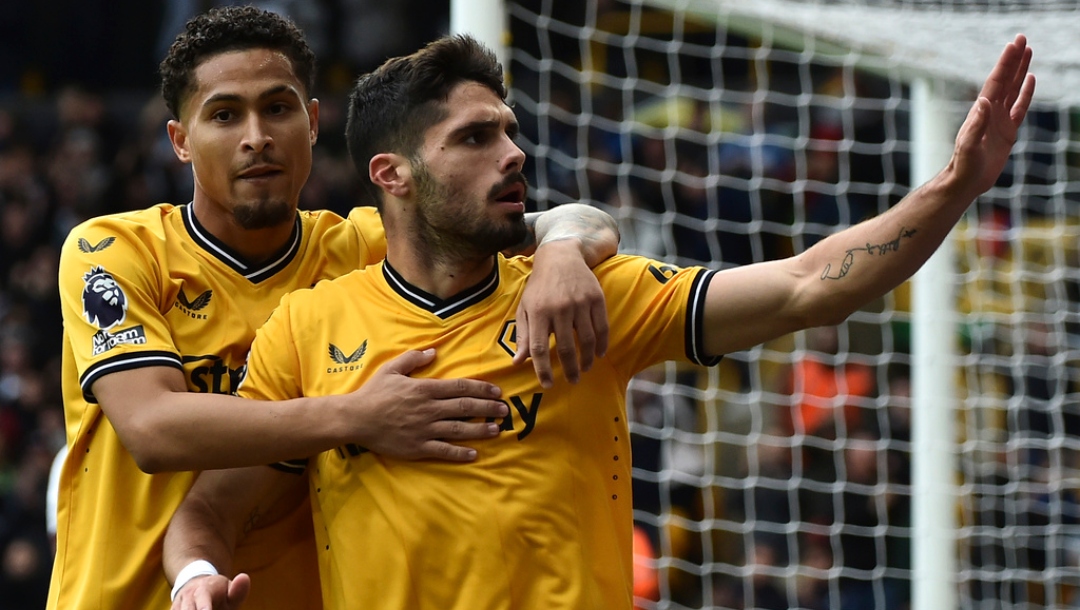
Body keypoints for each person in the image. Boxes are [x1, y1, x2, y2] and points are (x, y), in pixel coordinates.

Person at [164, 32, 1035, 610]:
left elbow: (812, 286)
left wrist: (952, 188)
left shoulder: (594, 293)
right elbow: (208, 510)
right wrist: (196, 578)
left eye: (509, 131)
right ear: (391, 174)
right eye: (474, 139)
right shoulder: (309, 327)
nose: (515, 154)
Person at [48, 7, 621, 610]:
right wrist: (356, 415)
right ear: (180, 141)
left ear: (314, 122)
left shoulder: (365, 249)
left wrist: (559, 251)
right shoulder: (114, 250)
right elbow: (152, 430)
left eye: (278, 107)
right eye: (224, 115)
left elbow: (571, 221)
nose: (256, 137)